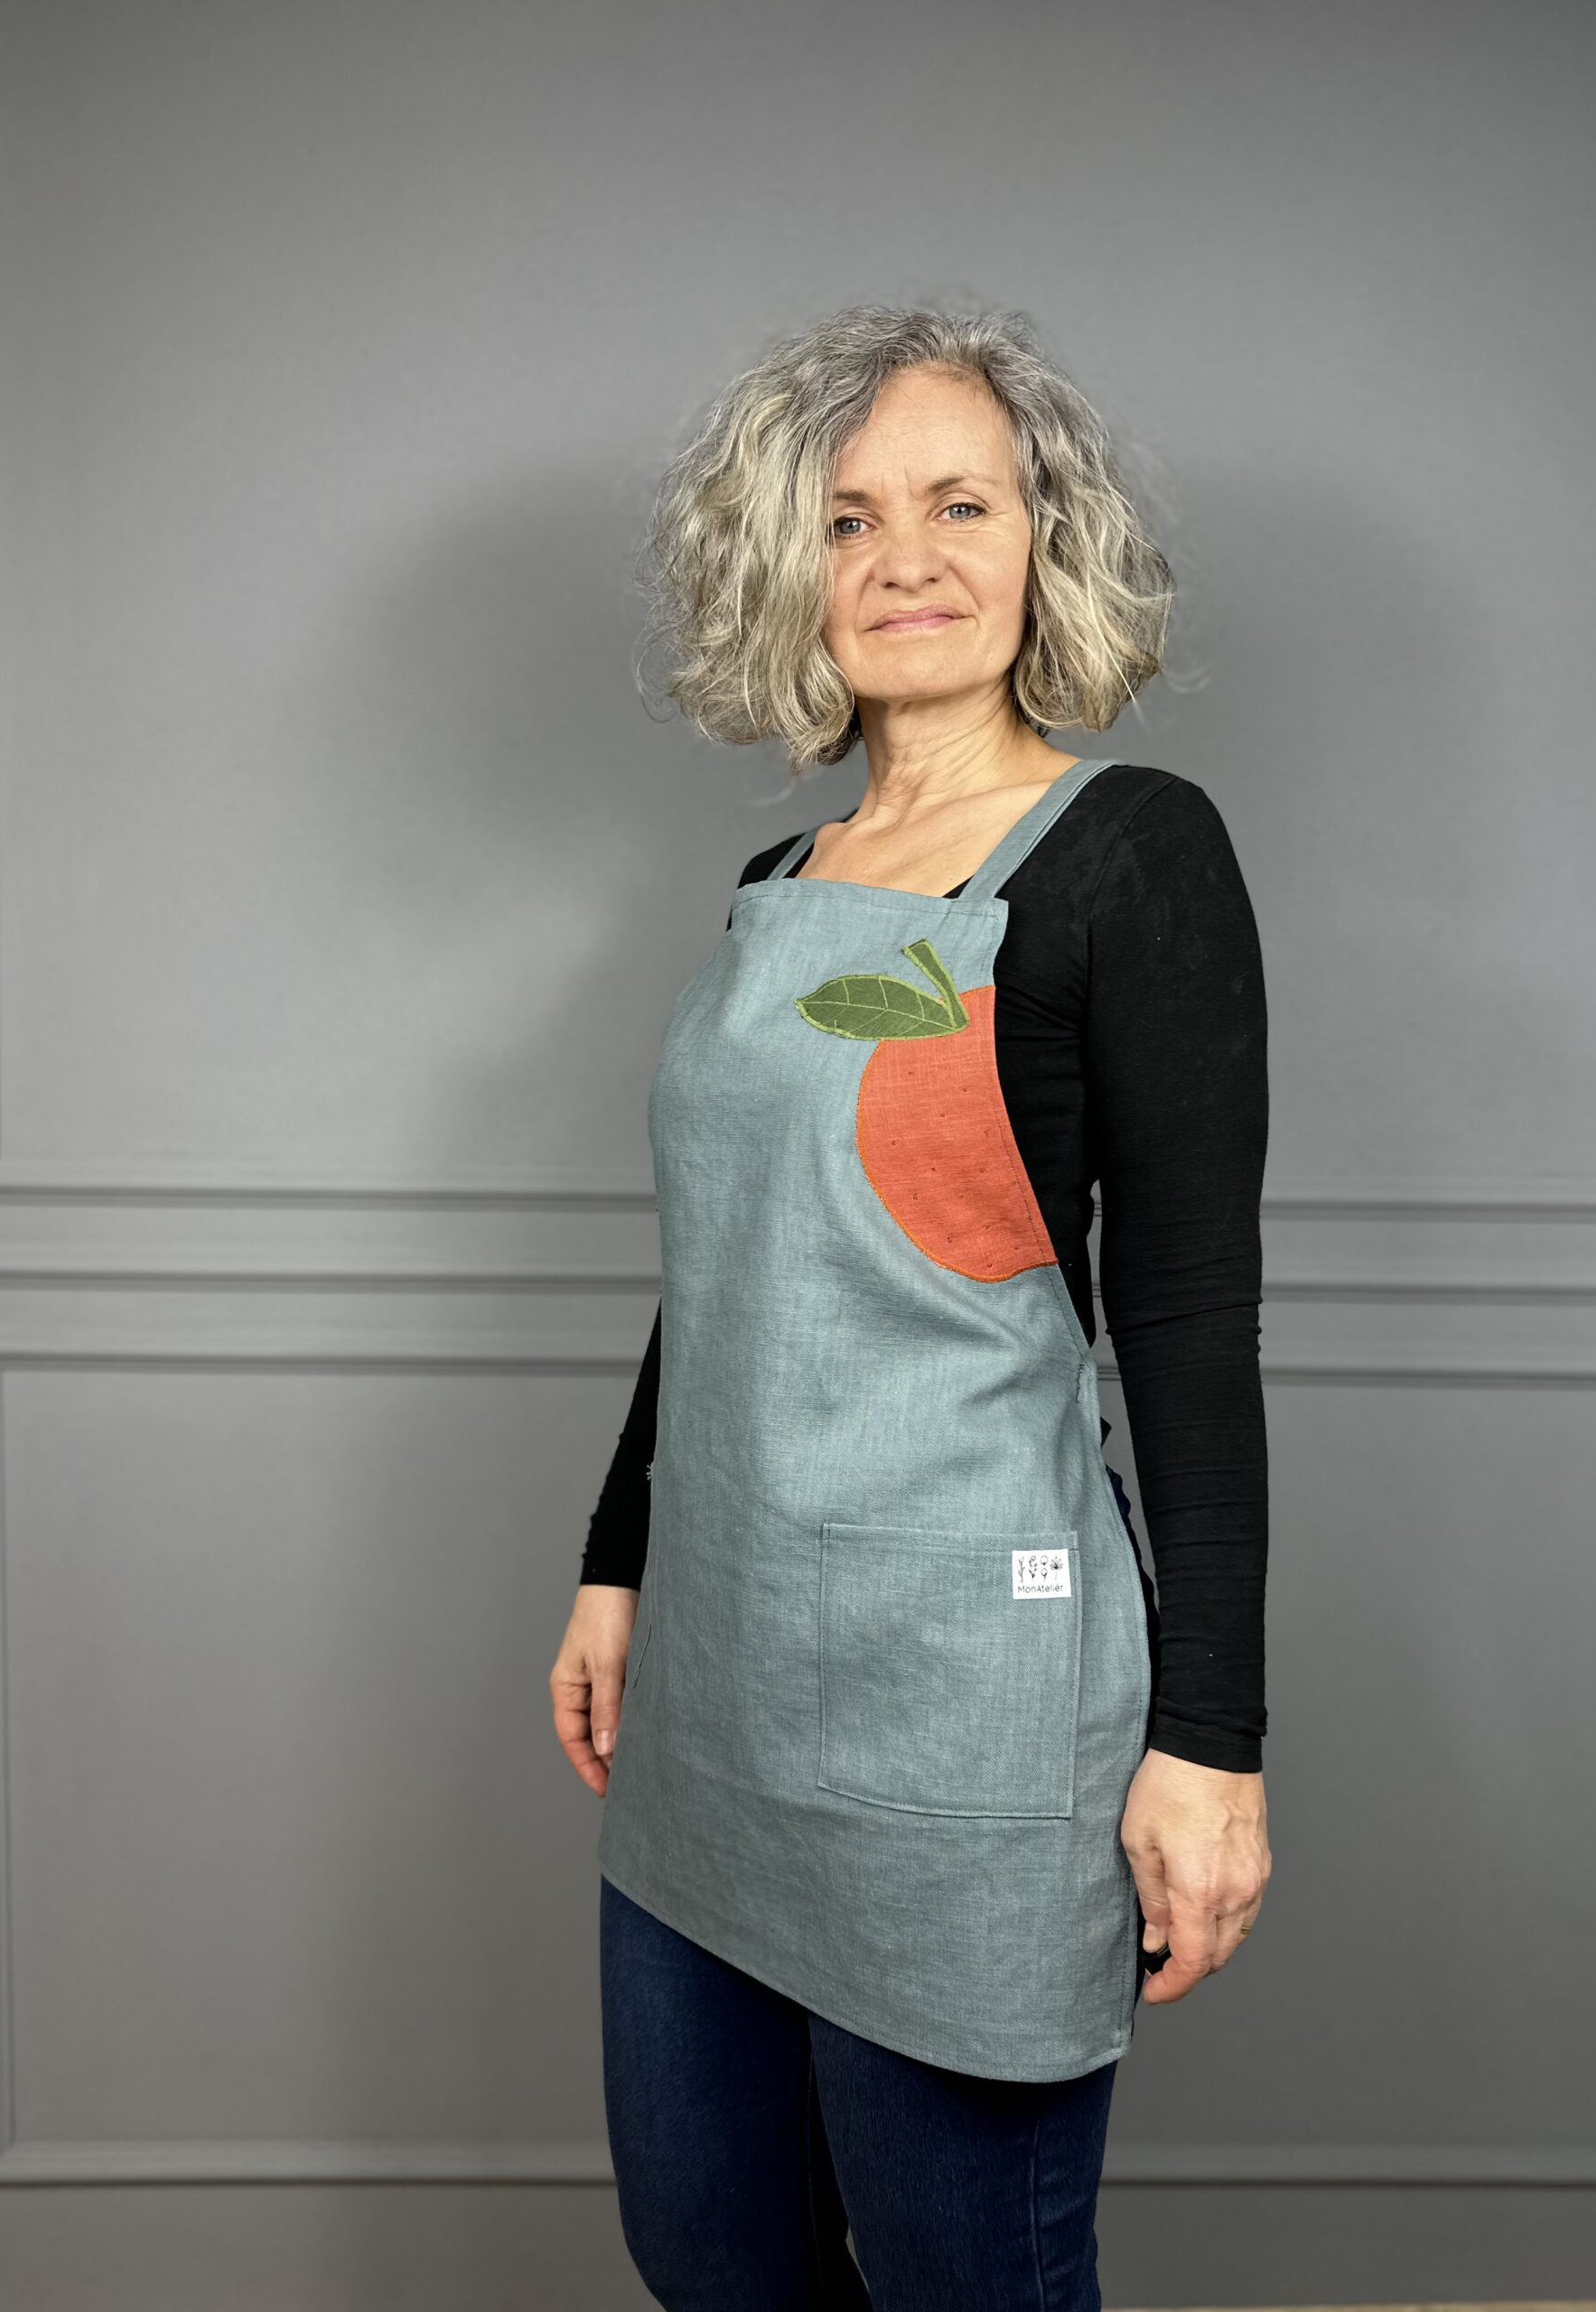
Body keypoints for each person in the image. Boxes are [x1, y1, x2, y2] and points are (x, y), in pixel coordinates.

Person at [550, 303, 1273, 2312]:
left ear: (1048, 541)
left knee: (968, 2282)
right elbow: (728, 1265)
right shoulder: (782, 871)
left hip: (974, 1699)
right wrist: (616, 1557)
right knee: (714, 2255)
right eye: (849, 518)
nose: (905, 560)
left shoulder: (1130, 855)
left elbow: (1189, 1323)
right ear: (788, 569)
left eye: (962, 505)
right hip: (717, 1677)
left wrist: (1211, 1741)